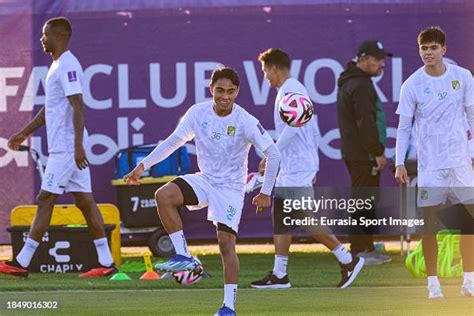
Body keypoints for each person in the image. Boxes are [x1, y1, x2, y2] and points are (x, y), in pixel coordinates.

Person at [124, 67, 281, 315]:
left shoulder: (246, 121)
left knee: (225, 244)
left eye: (230, 91)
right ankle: (184, 256)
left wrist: (266, 192)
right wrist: (143, 165)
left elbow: (274, 154)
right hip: (205, 180)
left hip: (231, 188)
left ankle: (228, 306)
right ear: (212, 90)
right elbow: (174, 141)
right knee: (163, 195)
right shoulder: (198, 113)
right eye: (220, 90)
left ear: (237, 92)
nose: (225, 96)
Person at [0, 17, 116, 278]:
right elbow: (50, 110)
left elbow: (78, 104)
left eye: (46, 34)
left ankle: (21, 262)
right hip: (67, 146)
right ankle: (106, 263)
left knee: (45, 199)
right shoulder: (57, 66)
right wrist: (23, 133)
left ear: (60, 36)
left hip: (66, 147)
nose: (42, 39)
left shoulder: (68, 65)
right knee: (85, 201)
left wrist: (76, 146)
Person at [250, 48, 364, 290]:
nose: (265, 77)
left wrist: (272, 156)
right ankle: (280, 275)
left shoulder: (292, 91)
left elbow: (292, 129)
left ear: (273, 68)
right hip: (294, 166)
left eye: (265, 72)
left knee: (305, 217)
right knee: (280, 215)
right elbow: (309, 130)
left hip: (297, 167)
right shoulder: (288, 91)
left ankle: (348, 259)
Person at [395, 26, 473, 298]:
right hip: (430, 166)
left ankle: (469, 281)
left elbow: (472, 117)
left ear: (444, 50)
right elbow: (404, 127)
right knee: (429, 223)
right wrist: (399, 162)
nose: (428, 53)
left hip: (461, 164)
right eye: (423, 49)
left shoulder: (462, 77)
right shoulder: (412, 85)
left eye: (433, 48)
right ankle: (433, 284)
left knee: (470, 223)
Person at [336, 40, 393, 265]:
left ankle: (366, 247)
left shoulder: (357, 81)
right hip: (363, 154)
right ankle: (360, 251)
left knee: (366, 201)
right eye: (377, 59)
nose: (382, 64)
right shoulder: (360, 84)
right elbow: (365, 122)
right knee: (363, 201)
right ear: (363, 59)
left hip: (358, 152)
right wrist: (377, 152)